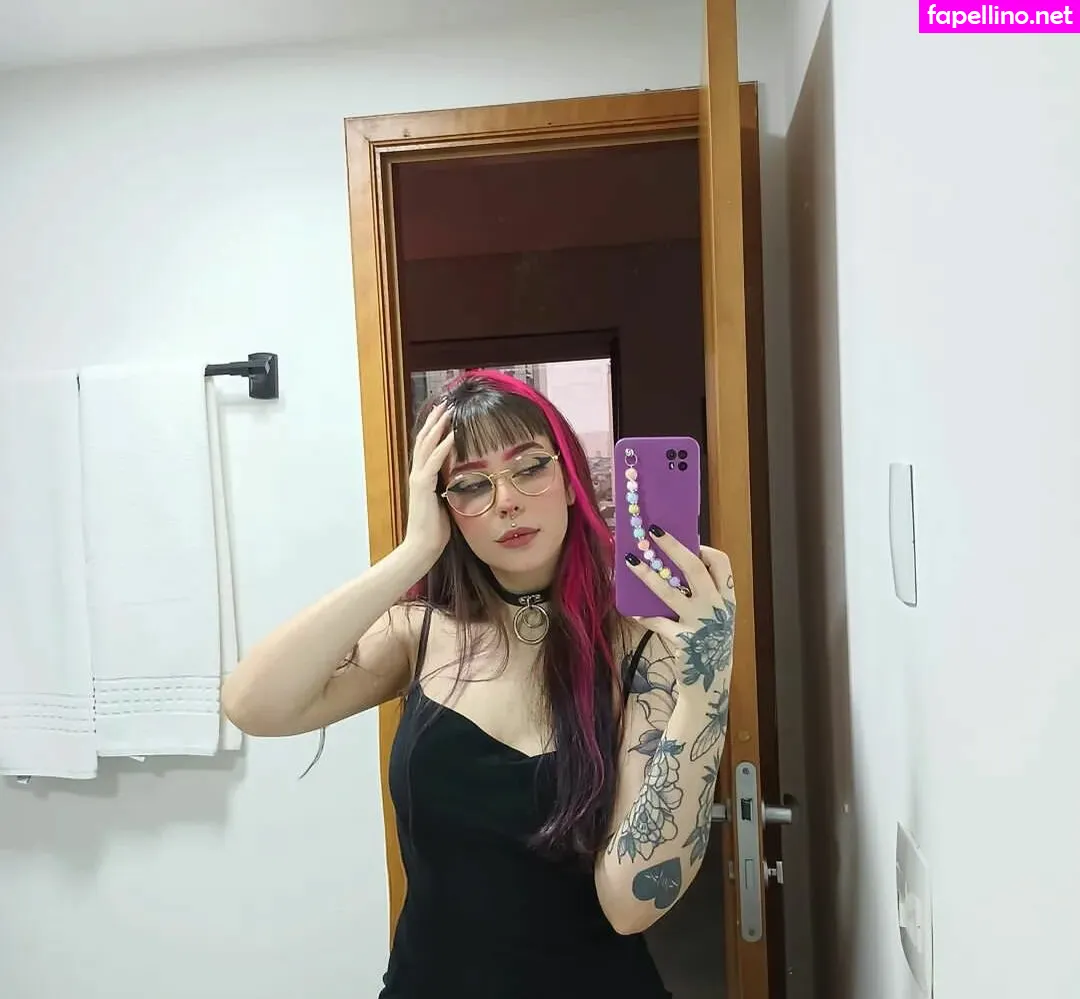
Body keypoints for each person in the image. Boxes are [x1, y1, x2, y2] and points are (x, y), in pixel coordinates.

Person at [222, 369, 737, 999]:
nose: (507, 501)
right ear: (444, 507)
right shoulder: (420, 635)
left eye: (530, 468)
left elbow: (632, 903)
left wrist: (706, 682)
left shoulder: (640, 648)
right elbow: (254, 704)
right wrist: (413, 552)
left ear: (570, 480)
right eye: (470, 486)